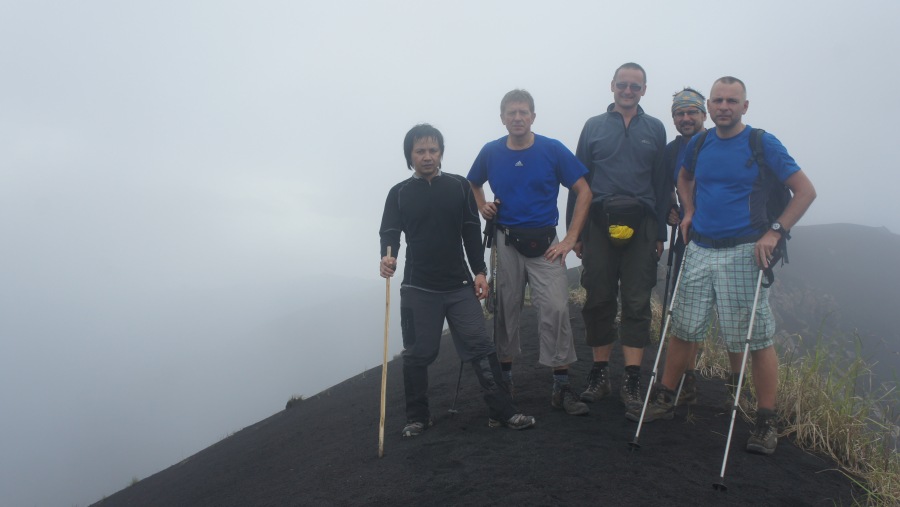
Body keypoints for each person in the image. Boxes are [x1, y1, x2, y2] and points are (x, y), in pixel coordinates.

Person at [643, 77, 817, 457]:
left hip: (745, 249)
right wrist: (689, 210)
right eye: (719, 100)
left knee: (754, 336)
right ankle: (665, 396)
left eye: (731, 101)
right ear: (712, 104)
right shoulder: (701, 144)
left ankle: (766, 419)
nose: (724, 106)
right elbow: (684, 176)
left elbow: (805, 190)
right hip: (701, 247)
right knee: (684, 326)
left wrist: (775, 231)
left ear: (745, 106)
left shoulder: (761, 142)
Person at [380, 123, 536, 437]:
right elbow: (389, 233)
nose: (427, 156)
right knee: (417, 353)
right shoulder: (398, 193)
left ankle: (504, 411)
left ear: (441, 153)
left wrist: (480, 272)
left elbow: (469, 232)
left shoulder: (459, 187)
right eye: (420, 151)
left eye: (433, 150)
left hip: (458, 285)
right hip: (417, 287)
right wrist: (388, 257)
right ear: (410, 156)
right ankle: (417, 418)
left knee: (480, 346)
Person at [467, 89, 593, 416]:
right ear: (502, 117)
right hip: (505, 241)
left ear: (533, 116)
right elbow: (473, 182)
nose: (518, 118)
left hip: (546, 243)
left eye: (524, 112)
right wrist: (482, 205)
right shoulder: (491, 152)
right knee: (505, 311)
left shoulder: (551, 149)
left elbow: (584, 191)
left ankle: (561, 386)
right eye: (512, 113)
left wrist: (570, 239)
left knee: (556, 308)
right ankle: (505, 382)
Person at [568, 63, 668, 421]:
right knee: (598, 296)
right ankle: (599, 375)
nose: (628, 91)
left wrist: (660, 233)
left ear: (644, 90)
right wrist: (574, 232)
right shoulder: (593, 126)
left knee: (638, 299)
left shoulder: (655, 128)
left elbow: (661, 182)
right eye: (622, 85)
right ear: (612, 86)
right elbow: (578, 180)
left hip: (642, 223)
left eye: (635, 86)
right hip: (598, 221)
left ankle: (631, 379)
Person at [662, 88, 709, 406]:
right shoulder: (671, 150)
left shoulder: (718, 142)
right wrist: (670, 208)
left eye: (692, 112)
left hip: (724, 238)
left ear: (703, 114)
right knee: (685, 311)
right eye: (680, 113)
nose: (686, 118)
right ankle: (688, 377)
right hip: (688, 237)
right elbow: (664, 185)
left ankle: (732, 389)